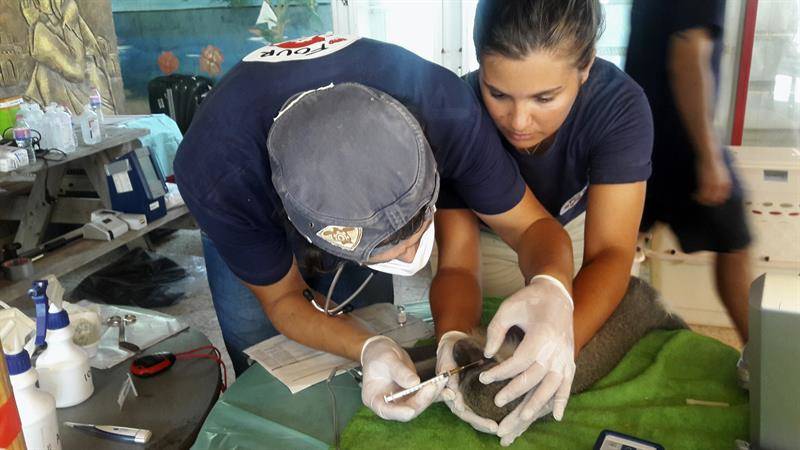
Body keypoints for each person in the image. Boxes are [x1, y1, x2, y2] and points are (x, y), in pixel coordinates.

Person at [174, 34, 573, 423]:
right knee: (261, 357)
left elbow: (531, 225)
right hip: (243, 195)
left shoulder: (444, 107)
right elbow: (282, 300)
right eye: (389, 254)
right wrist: (368, 345)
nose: (411, 261)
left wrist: (553, 287)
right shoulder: (215, 172)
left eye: (416, 239)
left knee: (369, 316)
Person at [430, 0, 655, 445]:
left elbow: (610, 253)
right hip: (489, 242)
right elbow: (456, 266)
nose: (518, 122)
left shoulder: (619, 107)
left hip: (581, 232)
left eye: (545, 98)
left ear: (586, 67)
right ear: (479, 64)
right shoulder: (454, 113)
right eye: (497, 94)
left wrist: (559, 343)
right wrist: (454, 347)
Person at [626, 0, 751, 341]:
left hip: (640, 132)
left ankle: (586, 340)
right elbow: (689, 55)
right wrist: (709, 155)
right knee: (735, 245)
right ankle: (760, 357)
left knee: (619, 245)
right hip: (680, 142)